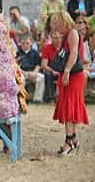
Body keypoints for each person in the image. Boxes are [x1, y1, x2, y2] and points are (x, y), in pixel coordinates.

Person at [50, 11, 89, 156]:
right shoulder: (67, 34)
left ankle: (69, 142)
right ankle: (73, 139)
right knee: (67, 108)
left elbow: (74, 54)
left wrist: (66, 71)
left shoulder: (72, 32)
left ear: (63, 21)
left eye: (56, 23)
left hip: (73, 75)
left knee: (69, 109)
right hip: (68, 75)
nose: (55, 27)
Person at [17, 35, 44, 103]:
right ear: (20, 43)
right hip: (21, 73)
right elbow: (16, 66)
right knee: (21, 79)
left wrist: (34, 73)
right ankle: (22, 99)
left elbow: (38, 65)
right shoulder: (17, 53)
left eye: (27, 43)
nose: (25, 45)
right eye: (23, 43)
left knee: (41, 78)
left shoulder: (35, 52)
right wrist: (23, 73)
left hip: (33, 73)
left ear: (31, 43)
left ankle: (37, 99)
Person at [41, 30, 62, 103]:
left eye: (56, 38)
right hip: (52, 70)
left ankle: (62, 98)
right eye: (52, 38)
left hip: (63, 70)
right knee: (47, 73)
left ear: (61, 37)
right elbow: (44, 65)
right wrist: (52, 71)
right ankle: (50, 98)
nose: (54, 40)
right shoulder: (47, 48)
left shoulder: (65, 48)